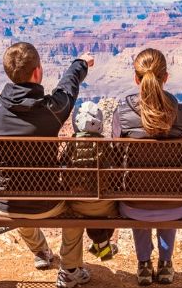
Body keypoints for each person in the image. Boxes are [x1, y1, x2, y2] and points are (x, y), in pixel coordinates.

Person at [0, 42, 113, 288]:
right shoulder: (52, 109)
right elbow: (67, 89)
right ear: (37, 72)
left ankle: (41, 252)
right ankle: (69, 270)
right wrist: (80, 63)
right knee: (76, 207)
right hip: (46, 203)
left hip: (5, 203)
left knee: (16, 200)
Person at [112, 48, 182, 286]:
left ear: (136, 79)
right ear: (166, 77)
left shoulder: (122, 115)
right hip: (177, 205)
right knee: (168, 191)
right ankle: (165, 264)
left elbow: (113, 163)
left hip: (134, 207)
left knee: (137, 192)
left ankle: (143, 265)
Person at [65, 101, 118, 261]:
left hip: (77, 204)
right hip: (105, 205)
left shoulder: (71, 146)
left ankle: (101, 244)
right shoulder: (106, 146)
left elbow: (64, 173)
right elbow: (115, 177)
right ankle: (101, 244)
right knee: (103, 206)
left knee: (87, 204)